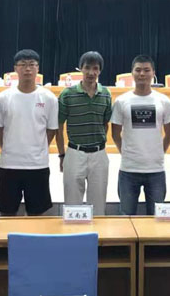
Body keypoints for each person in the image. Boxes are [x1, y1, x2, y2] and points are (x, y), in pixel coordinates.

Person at [0, 49, 58, 216]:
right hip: (9, 164)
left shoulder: (49, 98)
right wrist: (8, 147)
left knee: (37, 214)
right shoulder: (2, 98)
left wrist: (38, 148)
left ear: (38, 68)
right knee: (7, 213)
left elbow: (51, 129)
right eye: (23, 65)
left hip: (37, 165)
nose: (27, 69)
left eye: (32, 65)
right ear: (15, 68)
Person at [111, 55, 170, 215]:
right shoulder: (121, 101)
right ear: (132, 73)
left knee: (156, 218)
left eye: (146, 70)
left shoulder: (164, 101)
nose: (142, 74)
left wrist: (160, 151)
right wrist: (125, 152)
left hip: (155, 170)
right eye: (138, 70)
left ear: (153, 73)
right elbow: (115, 133)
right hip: (128, 170)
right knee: (127, 217)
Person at [55, 51, 112, 215]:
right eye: (87, 68)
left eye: (95, 68)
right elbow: (59, 126)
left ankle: (97, 232)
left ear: (100, 71)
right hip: (75, 153)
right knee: (72, 206)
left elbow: (105, 124)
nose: (91, 73)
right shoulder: (67, 95)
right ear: (80, 68)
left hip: (99, 155)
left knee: (98, 207)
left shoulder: (106, 94)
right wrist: (61, 154)